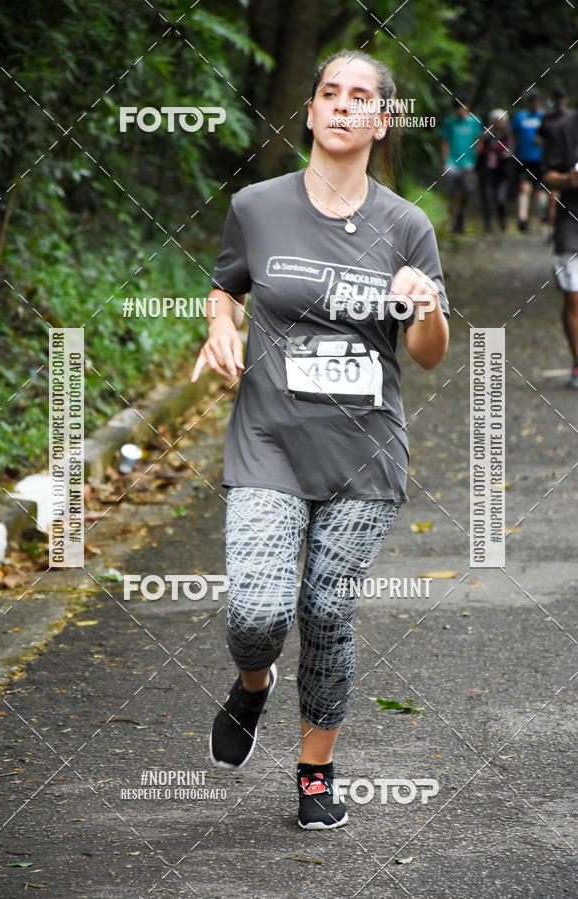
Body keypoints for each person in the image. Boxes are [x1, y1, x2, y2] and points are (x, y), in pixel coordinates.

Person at [191, 48, 450, 829]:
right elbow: (224, 285)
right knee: (258, 615)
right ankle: (254, 683)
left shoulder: (408, 226)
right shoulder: (258, 207)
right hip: (268, 439)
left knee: (328, 613)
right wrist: (220, 327)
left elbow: (430, 353)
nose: (341, 105)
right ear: (309, 113)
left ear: (382, 119)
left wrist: (426, 305)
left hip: (363, 452)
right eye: (328, 93)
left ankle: (314, 772)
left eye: (359, 96)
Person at [541, 106, 578, 388]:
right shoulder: (563, 128)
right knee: (574, 297)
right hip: (571, 226)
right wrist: (569, 180)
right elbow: (547, 175)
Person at [440, 96, 483, 233]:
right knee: (451, 193)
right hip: (452, 162)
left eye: (463, 107)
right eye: (458, 107)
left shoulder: (475, 122)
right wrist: (445, 159)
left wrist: (476, 158)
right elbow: (445, 142)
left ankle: (461, 215)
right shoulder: (450, 123)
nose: (461, 110)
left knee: (467, 191)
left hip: (469, 163)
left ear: (467, 107)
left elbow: (478, 140)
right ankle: (452, 221)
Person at [538, 89, 572, 238]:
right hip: (552, 162)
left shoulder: (571, 118)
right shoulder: (548, 118)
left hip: (567, 161)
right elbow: (539, 138)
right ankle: (553, 229)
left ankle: (558, 228)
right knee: (553, 195)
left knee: (558, 196)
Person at [512, 91, 546, 232]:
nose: (534, 104)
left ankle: (542, 216)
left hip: (542, 159)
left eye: (536, 101)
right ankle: (523, 219)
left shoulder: (545, 117)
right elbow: (512, 136)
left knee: (541, 190)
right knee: (524, 188)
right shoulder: (520, 117)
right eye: (531, 101)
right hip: (524, 159)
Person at [476, 109, 515, 232]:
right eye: (496, 121)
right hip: (487, 173)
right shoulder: (486, 135)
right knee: (487, 198)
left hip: (502, 173)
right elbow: (478, 149)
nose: (499, 123)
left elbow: (511, 149)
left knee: (500, 198)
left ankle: (502, 219)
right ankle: (487, 224)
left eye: (501, 121)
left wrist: (507, 153)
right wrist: (483, 137)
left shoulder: (507, 136)